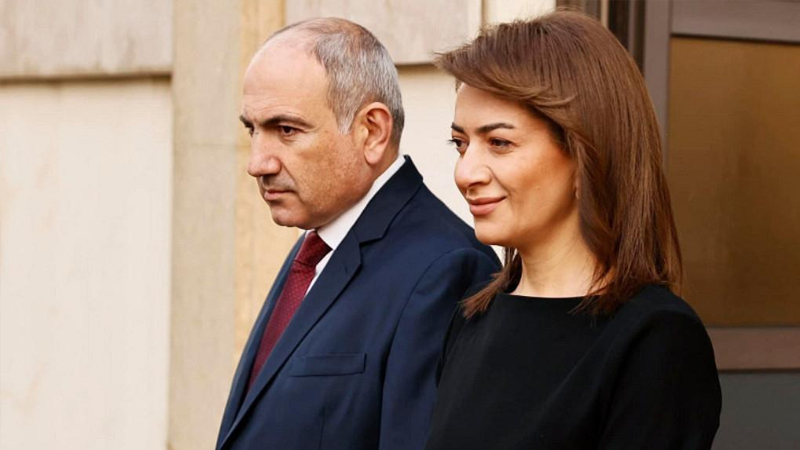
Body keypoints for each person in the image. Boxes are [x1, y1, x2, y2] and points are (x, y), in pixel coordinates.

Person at [425, 11, 722, 450]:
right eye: (460, 144)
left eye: (499, 143)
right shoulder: (472, 318)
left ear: (586, 155)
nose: (465, 173)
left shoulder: (655, 338)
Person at [215, 18, 499, 450]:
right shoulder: (319, 242)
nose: (258, 163)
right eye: (252, 130)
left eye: (286, 130)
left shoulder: (445, 268)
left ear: (372, 132)